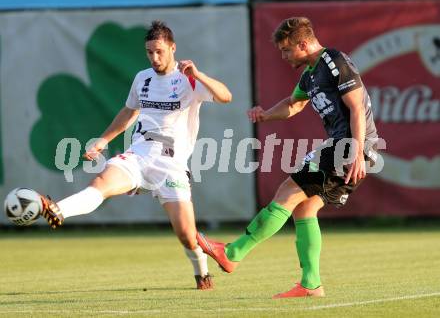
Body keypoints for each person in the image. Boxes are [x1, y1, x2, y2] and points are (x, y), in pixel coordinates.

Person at [39, 20, 232, 290]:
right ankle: (58, 210)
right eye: (150, 52)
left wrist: (199, 75)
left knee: (188, 236)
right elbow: (129, 113)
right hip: (138, 154)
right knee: (101, 184)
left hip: (171, 165)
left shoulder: (188, 78)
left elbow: (226, 96)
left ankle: (202, 273)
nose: (154, 57)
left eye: (159, 51)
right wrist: (103, 141)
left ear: (173, 48)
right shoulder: (143, 78)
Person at [196, 17, 379, 298]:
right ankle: (311, 284)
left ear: (303, 44)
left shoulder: (334, 61)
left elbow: (356, 108)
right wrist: (266, 114)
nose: (283, 56)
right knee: (304, 209)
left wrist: (355, 151)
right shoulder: (309, 74)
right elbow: (294, 105)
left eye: (286, 50)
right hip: (342, 146)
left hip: (349, 146)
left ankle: (232, 254)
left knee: (287, 192)